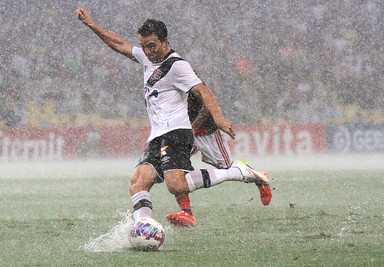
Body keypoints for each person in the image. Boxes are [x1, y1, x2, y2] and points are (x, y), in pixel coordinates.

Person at [76, 8, 271, 226]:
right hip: (157, 136)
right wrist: (91, 25)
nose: (148, 51)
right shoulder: (147, 58)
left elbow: (203, 91)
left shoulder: (177, 65)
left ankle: (237, 172)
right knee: (138, 181)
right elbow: (120, 44)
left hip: (176, 132)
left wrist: (218, 119)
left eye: (152, 45)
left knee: (176, 185)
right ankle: (144, 226)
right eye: (144, 46)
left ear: (164, 41)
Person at [166, 90, 272, 227]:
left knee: (228, 169)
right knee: (176, 169)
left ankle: (258, 177)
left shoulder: (191, 83)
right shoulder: (166, 85)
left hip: (208, 134)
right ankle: (186, 213)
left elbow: (208, 105)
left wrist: (193, 128)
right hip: (185, 135)